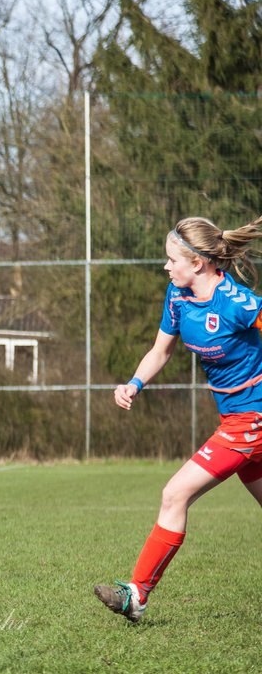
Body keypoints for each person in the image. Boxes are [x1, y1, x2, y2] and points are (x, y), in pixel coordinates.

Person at [95, 215, 262, 623]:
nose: (166, 267)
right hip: (234, 419)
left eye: (173, 260)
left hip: (251, 422)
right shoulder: (177, 296)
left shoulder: (239, 304)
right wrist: (134, 382)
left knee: (174, 494)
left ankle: (136, 595)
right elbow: (161, 351)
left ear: (199, 263)